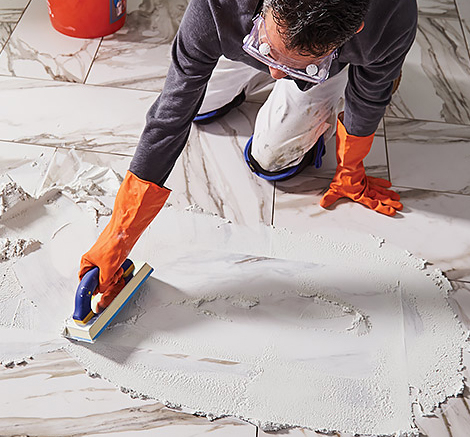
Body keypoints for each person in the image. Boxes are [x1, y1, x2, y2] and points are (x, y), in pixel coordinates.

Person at [77, 0, 417, 316]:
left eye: (298, 65)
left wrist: (351, 167)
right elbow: (171, 113)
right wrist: (120, 232)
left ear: (353, 29)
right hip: (246, 29)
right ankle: (281, 54)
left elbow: (369, 96)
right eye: (269, 52)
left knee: (272, 159)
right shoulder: (219, 4)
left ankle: (308, 68)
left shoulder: (388, 20)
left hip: (336, 61)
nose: (277, 75)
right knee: (197, 107)